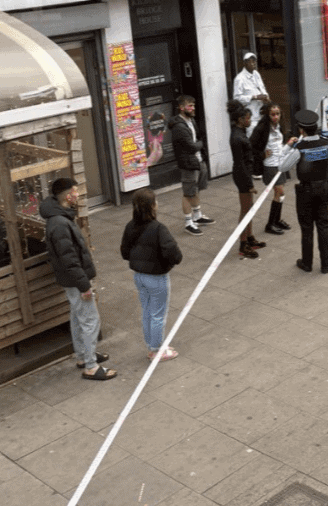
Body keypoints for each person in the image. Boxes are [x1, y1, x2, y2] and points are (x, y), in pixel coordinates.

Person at [40, 178, 116, 381]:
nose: (78, 195)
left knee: (77, 316)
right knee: (90, 319)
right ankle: (91, 366)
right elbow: (70, 259)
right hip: (76, 280)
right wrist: (84, 285)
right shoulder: (60, 223)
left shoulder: (58, 218)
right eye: (75, 192)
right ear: (67, 196)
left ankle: (84, 356)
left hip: (70, 279)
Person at [120, 188, 182, 362]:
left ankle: (152, 346)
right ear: (152, 206)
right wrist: (170, 262)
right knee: (158, 314)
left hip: (139, 276)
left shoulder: (130, 226)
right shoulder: (158, 228)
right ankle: (157, 349)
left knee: (147, 311)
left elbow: (124, 252)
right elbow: (173, 253)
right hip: (156, 277)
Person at [278, 109, 328, 274]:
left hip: (305, 191)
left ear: (301, 130)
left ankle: (306, 263)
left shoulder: (300, 148)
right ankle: (326, 263)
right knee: (323, 226)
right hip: (323, 188)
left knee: (306, 228)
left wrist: (287, 146)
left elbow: (282, 166)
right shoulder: (327, 144)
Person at [169, 95, 215, 236]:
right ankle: (189, 223)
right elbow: (192, 146)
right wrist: (200, 144)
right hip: (188, 164)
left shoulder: (191, 121)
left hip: (198, 161)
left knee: (196, 190)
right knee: (188, 193)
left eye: (194, 105)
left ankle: (198, 215)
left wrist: (199, 145)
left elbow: (198, 140)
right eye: (190, 106)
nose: (193, 108)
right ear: (182, 108)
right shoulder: (179, 127)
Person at [227, 100, 267, 259]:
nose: (250, 121)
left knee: (249, 209)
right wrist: (249, 184)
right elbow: (240, 163)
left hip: (245, 174)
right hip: (242, 176)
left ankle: (249, 238)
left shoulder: (240, 132)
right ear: (240, 119)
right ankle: (243, 245)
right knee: (245, 211)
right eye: (247, 118)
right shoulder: (237, 137)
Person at [250, 102, 296, 235]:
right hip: (270, 165)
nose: (276, 117)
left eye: (278, 114)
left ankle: (277, 220)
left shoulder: (279, 126)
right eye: (273, 114)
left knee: (281, 194)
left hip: (280, 163)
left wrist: (289, 144)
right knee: (279, 192)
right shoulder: (261, 129)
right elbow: (251, 147)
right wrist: (261, 155)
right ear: (268, 115)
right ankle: (270, 224)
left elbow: (279, 147)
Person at [232, 51, 269, 137]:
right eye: (250, 61)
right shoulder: (239, 78)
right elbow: (236, 99)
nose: (253, 63)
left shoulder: (256, 74)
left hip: (262, 114)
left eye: (254, 61)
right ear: (245, 63)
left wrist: (266, 97)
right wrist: (254, 97)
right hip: (251, 118)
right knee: (253, 141)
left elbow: (262, 88)